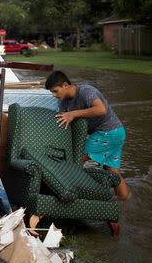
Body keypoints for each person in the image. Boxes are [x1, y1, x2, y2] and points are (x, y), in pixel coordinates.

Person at [45, 70, 130, 201]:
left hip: (109, 131)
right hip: (114, 133)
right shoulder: (63, 102)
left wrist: (73, 114)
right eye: (51, 92)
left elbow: (101, 109)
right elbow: (62, 124)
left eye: (55, 91)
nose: (53, 95)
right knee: (112, 171)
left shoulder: (86, 91)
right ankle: (124, 201)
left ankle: (74, 198)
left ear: (65, 85)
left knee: (77, 160)